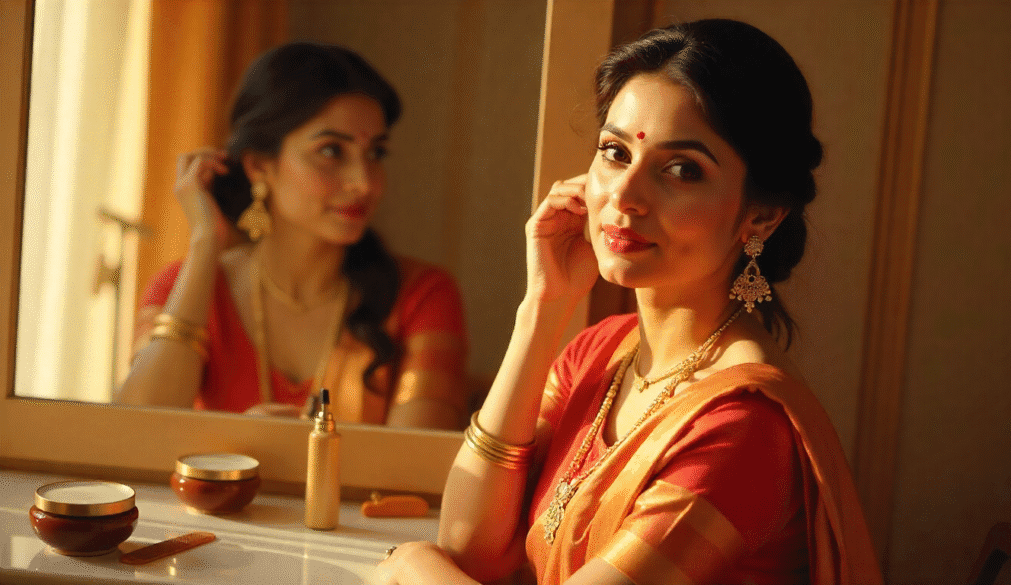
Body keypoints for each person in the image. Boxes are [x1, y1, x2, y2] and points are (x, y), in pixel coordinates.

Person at [376, 19, 883, 584]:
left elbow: (443, 558)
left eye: (681, 170)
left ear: (761, 214)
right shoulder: (601, 353)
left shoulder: (744, 429)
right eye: (615, 152)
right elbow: (470, 547)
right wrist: (542, 308)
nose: (625, 196)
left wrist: (411, 567)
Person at [116, 42, 468, 430]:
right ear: (259, 165)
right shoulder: (184, 289)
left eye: (375, 153)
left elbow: (415, 470)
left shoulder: (422, 297)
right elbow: (137, 434)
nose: (364, 182)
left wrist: (264, 451)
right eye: (331, 151)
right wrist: (204, 242)